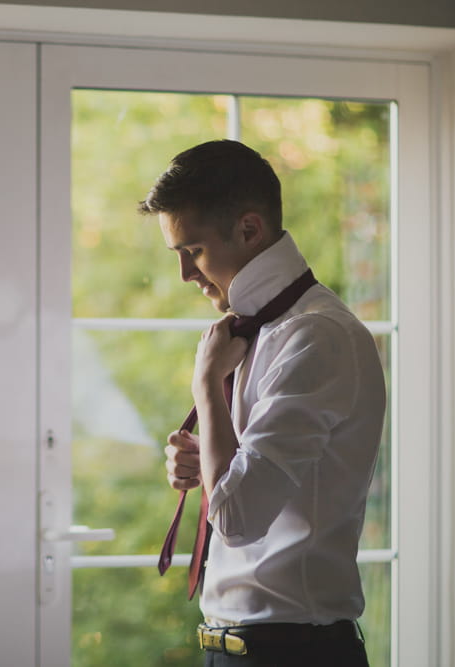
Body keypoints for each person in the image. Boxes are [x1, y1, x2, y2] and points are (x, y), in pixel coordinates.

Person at [139, 140, 385, 666]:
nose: (185, 274)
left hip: (293, 653)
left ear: (249, 230)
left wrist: (207, 388)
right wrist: (207, 459)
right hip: (231, 648)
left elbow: (239, 517)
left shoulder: (316, 337)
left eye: (194, 250)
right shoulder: (252, 334)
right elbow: (245, 483)